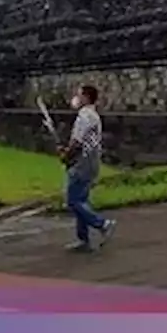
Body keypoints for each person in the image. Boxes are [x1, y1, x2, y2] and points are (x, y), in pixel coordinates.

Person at [59, 85, 116, 252]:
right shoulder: (93, 115)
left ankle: (102, 224)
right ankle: (83, 239)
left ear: (86, 97)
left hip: (84, 160)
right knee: (82, 200)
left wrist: (67, 155)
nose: (76, 98)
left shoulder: (85, 115)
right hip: (90, 160)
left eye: (79, 95)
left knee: (73, 201)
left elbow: (77, 142)